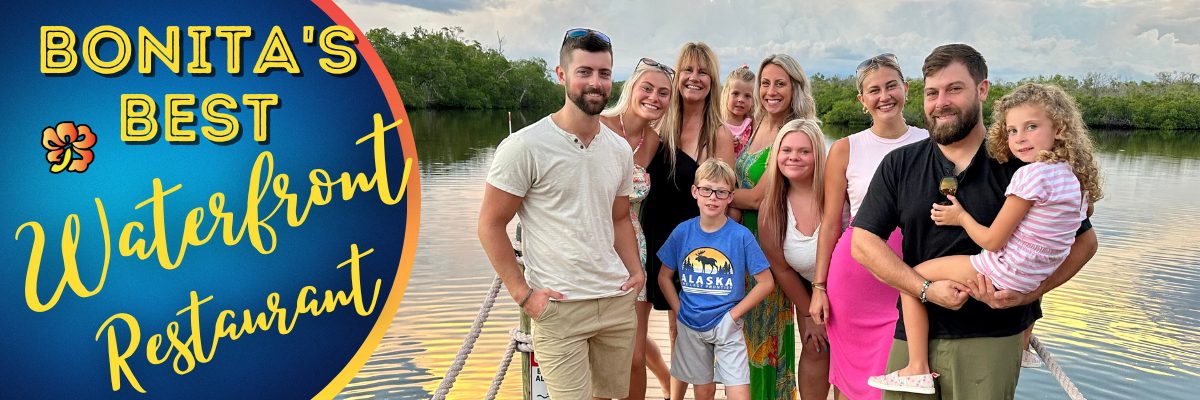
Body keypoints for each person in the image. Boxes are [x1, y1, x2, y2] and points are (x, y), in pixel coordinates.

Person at [850, 43, 1098, 400]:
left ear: (982, 89)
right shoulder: (900, 164)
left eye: (954, 89)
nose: (941, 102)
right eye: (932, 92)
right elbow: (863, 243)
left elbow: (1084, 243)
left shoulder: (1027, 165)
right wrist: (925, 289)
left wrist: (1031, 293)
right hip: (913, 339)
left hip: (993, 336)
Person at [477, 28, 644, 400]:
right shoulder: (524, 146)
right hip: (559, 306)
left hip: (614, 300)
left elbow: (619, 217)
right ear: (562, 74)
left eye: (604, 73)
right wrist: (523, 295)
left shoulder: (618, 149)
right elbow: (490, 225)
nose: (596, 83)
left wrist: (636, 271)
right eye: (584, 71)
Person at [810, 53, 929, 400]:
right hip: (855, 276)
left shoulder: (930, 142)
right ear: (862, 101)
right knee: (850, 379)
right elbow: (831, 223)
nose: (884, 96)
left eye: (892, 86)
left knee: (898, 376)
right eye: (874, 90)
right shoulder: (846, 149)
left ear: (906, 89)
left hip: (910, 274)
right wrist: (819, 285)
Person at [640, 41, 735, 400]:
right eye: (688, 70)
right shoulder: (657, 124)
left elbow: (726, 200)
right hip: (650, 238)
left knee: (690, 336)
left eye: (703, 71)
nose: (694, 78)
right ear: (677, 75)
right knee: (631, 330)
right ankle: (668, 386)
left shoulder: (719, 134)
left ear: (713, 80)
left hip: (697, 246)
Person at [729, 54, 817, 400]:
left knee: (767, 341)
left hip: (770, 249)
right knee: (744, 342)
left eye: (780, 83)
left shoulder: (795, 131)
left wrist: (714, 196)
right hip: (743, 249)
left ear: (795, 87)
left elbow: (757, 198)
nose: (770, 90)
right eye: (765, 83)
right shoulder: (755, 125)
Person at [657, 158, 776, 400]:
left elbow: (766, 282)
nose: (713, 198)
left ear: (730, 197)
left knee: (740, 393)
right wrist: (680, 311)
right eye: (707, 190)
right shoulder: (682, 232)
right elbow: (663, 277)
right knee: (704, 391)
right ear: (695, 192)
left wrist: (732, 316)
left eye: (721, 192)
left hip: (727, 326)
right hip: (692, 325)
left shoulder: (740, 236)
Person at [601, 57, 673, 400]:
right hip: (593, 245)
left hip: (633, 246)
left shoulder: (655, 142)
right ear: (631, 88)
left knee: (633, 353)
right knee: (600, 347)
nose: (654, 98)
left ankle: (659, 377)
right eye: (647, 88)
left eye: (663, 93)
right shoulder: (597, 125)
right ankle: (664, 374)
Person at [755, 119, 833, 400]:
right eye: (786, 150)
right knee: (815, 346)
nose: (794, 158)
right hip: (810, 288)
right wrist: (807, 314)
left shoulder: (838, 193)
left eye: (804, 151)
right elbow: (782, 268)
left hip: (851, 287)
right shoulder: (772, 208)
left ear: (818, 155)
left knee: (853, 354)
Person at [722, 65, 756, 154]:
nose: (740, 99)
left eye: (747, 96)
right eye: (736, 93)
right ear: (726, 94)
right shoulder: (718, 123)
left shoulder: (751, 125)